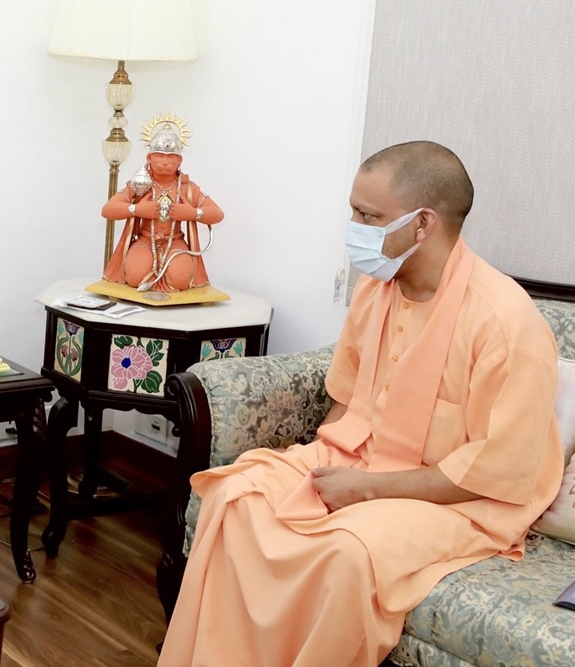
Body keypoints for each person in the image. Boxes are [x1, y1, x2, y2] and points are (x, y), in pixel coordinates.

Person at [158, 141, 563, 666]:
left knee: (344, 552)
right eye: (354, 210)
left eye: (368, 216)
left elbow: (489, 474)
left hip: (463, 502)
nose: (354, 227)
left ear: (423, 225)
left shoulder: (506, 324)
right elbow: (348, 406)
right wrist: (319, 465)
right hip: (359, 459)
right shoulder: (378, 286)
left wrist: (366, 489)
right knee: (237, 494)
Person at [101, 122, 223, 292]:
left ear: (180, 160)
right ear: (149, 158)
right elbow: (107, 210)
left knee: (180, 280)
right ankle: (152, 271)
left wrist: (193, 213)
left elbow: (217, 214)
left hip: (175, 243)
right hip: (145, 241)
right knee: (135, 276)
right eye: (159, 155)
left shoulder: (187, 188)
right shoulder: (140, 185)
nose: (165, 161)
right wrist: (136, 209)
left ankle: (163, 273)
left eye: (170, 156)